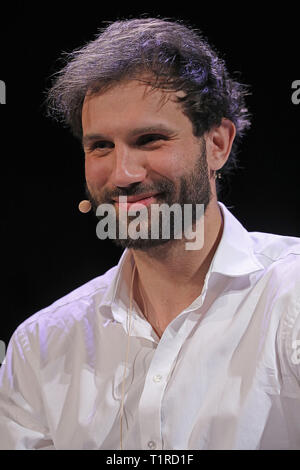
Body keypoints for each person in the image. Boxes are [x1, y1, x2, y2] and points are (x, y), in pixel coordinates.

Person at [0, 17, 300, 451]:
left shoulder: (290, 297)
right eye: (100, 146)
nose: (122, 174)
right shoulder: (39, 346)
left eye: (150, 139)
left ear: (217, 144)